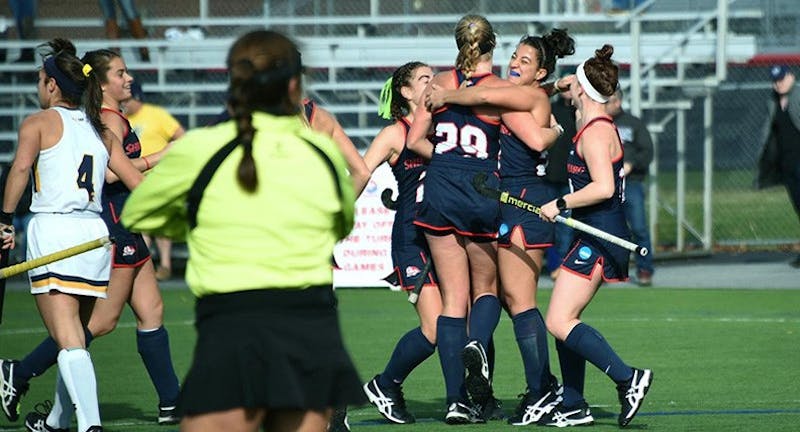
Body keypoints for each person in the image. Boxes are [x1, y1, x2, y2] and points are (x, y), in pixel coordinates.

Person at [120, 29, 365, 432]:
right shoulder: (318, 149)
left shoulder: (201, 145)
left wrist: (204, 224)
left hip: (232, 324)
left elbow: (139, 214)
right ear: (293, 85)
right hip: (307, 324)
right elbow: (341, 221)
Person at [1, 48, 182, 430]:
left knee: (70, 338)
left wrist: (3, 219)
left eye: (39, 81)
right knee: (79, 336)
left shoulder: (38, 122)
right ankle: (57, 420)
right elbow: (135, 183)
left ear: (52, 84)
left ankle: (89, 424)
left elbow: (19, 170)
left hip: (54, 231)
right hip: (95, 236)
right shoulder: (99, 129)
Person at [407, 14, 562, 424]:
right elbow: (532, 134)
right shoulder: (499, 90)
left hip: (439, 186)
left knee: (453, 300)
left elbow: (413, 140)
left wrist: (446, 159)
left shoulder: (439, 81)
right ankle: (478, 343)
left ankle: (458, 401)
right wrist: (554, 133)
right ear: (492, 46)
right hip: (479, 190)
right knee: (488, 287)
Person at [539, 44, 653, 428]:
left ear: (584, 91)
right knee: (564, 318)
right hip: (592, 233)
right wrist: (557, 83)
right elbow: (569, 83)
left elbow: (604, 187)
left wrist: (561, 202)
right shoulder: (591, 117)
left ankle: (628, 379)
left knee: (558, 320)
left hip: (601, 235)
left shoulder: (595, 132)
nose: (567, 90)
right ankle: (573, 403)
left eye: (573, 87)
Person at [360, 61, 440, 425]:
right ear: (406, 92)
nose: (433, 82)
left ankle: (470, 398)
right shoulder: (395, 133)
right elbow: (361, 173)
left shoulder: (446, 126)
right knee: (435, 327)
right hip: (412, 241)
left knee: (463, 321)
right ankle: (386, 384)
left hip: (447, 239)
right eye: (424, 79)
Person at [125, 81, 186, 280]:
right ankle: (146, 265)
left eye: (129, 99)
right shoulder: (120, 118)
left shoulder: (155, 114)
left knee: (160, 221)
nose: (126, 103)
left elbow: (181, 137)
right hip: (132, 176)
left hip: (158, 175)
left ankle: (165, 264)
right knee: (141, 223)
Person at [605, 87, 655, 285]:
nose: (607, 105)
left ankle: (645, 269)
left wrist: (632, 165)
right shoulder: (599, 124)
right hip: (606, 184)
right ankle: (610, 269)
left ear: (618, 101)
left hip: (631, 183)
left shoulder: (633, 124)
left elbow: (647, 151)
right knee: (607, 228)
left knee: (639, 227)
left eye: (609, 101)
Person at [756, 64, 800, 268]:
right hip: (787, 163)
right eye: (775, 80)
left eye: (782, 79)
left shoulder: (798, 96)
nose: (778, 83)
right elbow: (770, 131)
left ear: (791, 77)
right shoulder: (772, 101)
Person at [545, 88, 577, 280]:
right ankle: (554, 264)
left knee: (566, 225)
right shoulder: (550, 109)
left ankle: (564, 264)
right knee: (548, 224)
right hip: (549, 177)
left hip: (568, 179)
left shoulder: (578, 113)